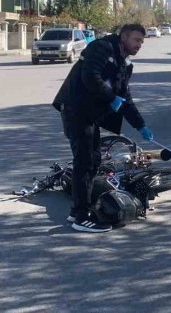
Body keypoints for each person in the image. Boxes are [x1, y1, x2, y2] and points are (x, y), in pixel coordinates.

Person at [53, 23, 153, 233]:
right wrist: (110, 96)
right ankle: (81, 217)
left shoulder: (125, 65)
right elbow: (90, 77)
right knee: (85, 161)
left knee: (94, 160)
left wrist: (141, 126)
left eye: (142, 42)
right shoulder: (102, 48)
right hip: (75, 109)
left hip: (90, 115)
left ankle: (78, 209)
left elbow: (126, 99)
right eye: (136, 40)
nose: (139, 45)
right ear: (123, 37)